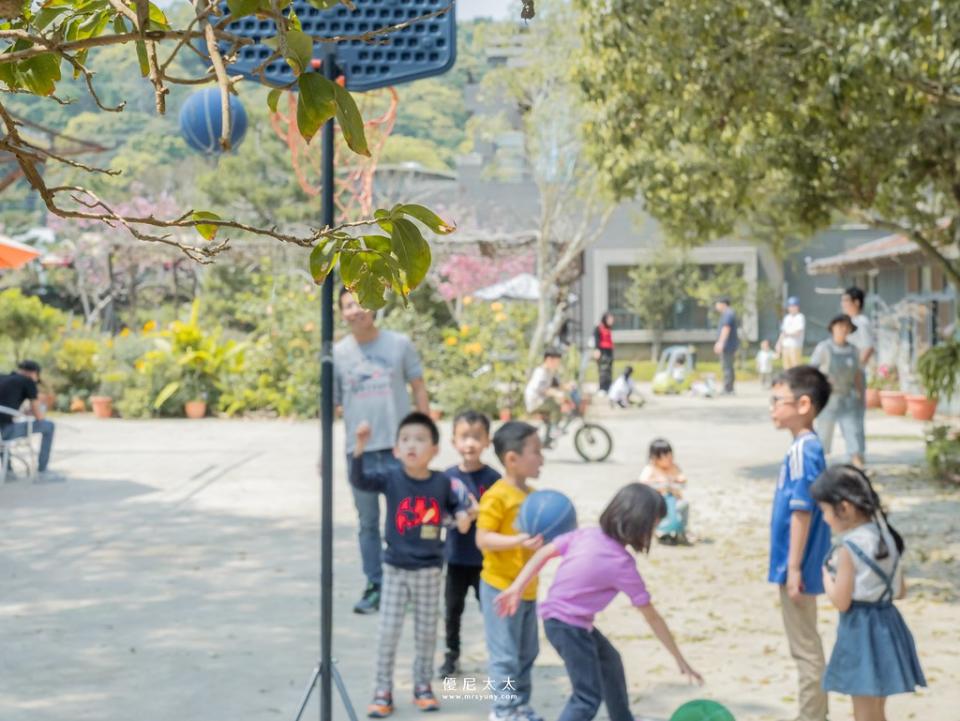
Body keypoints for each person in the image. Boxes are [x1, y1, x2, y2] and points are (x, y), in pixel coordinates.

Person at [493, 483, 702, 721]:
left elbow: (544, 552)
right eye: (654, 523)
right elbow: (652, 616)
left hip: (561, 621)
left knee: (610, 661)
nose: (654, 530)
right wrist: (679, 659)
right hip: (569, 627)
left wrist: (516, 587)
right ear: (640, 523)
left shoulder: (586, 534)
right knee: (587, 697)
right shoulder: (622, 564)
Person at [350, 412, 473, 717]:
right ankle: (382, 689)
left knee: (426, 633)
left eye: (420, 439)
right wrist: (360, 446)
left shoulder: (443, 482)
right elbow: (360, 479)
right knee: (387, 632)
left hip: (430, 571)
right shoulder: (391, 477)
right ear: (395, 449)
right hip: (394, 568)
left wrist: (462, 516)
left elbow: (459, 506)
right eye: (405, 440)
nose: (412, 445)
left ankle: (422, 685)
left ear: (434, 449)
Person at [335, 286, 430, 615]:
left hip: (398, 449)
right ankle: (375, 584)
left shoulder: (398, 344)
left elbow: (418, 387)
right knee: (367, 523)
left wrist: (426, 432)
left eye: (360, 302)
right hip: (359, 452)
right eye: (348, 305)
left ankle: (407, 585)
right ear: (341, 312)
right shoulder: (339, 354)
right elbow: (332, 406)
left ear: (373, 306)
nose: (355, 310)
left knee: (405, 518)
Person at [812, 465, 926, 721]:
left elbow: (841, 602)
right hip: (888, 624)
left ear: (845, 507)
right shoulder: (887, 536)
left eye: (826, 511)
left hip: (860, 630)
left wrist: (826, 578)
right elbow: (901, 591)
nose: (825, 518)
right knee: (877, 710)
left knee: (863, 711)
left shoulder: (848, 548)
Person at [768, 365, 834, 721]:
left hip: (799, 567)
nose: (773, 408)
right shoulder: (806, 448)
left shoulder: (803, 451)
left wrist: (793, 567)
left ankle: (812, 716)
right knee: (807, 646)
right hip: (802, 565)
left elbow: (802, 511)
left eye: (778, 400)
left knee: (806, 650)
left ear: (803, 404)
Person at [476, 421, 546, 721]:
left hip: (527, 588)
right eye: (536, 452)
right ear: (512, 459)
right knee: (504, 656)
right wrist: (517, 539)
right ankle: (503, 711)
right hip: (500, 589)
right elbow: (483, 538)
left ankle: (520, 706)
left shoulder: (534, 496)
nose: (541, 459)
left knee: (527, 654)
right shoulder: (497, 495)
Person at [440, 410, 500, 679]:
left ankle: (499, 656)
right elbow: (438, 513)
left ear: (487, 441)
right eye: (464, 437)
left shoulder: (494, 479)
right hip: (455, 557)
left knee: (490, 610)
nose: (470, 443)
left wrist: (479, 512)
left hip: (486, 561)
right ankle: (451, 655)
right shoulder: (446, 478)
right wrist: (457, 518)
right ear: (453, 441)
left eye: (477, 437)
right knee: (452, 610)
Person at [810, 315, 864, 467]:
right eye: (840, 326)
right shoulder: (824, 348)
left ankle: (858, 464)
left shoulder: (854, 350)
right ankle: (818, 466)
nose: (843, 329)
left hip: (848, 396)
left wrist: (861, 394)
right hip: (829, 398)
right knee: (824, 434)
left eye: (847, 327)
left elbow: (858, 374)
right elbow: (813, 370)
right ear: (832, 327)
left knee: (853, 432)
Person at [0, 360, 57, 480]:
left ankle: (9, 471)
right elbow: (39, 416)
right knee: (49, 426)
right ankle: (42, 471)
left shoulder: (2, 377)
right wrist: (38, 413)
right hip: (6, 432)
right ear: (33, 373)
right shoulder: (28, 381)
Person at [842, 287, 875, 463]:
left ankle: (857, 457)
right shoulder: (850, 321)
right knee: (846, 414)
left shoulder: (861, 322)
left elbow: (868, 347)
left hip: (856, 376)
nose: (843, 305)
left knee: (854, 415)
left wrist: (856, 370)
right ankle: (852, 454)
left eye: (846, 301)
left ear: (856, 302)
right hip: (845, 376)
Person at [639, 438, 690, 544]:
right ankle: (658, 532)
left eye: (671, 455)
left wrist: (676, 480)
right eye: (666, 456)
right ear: (655, 458)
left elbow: (682, 479)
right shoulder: (650, 469)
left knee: (684, 505)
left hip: (674, 500)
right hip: (657, 502)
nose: (670, 458)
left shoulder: (674, 467)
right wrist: (659, 483)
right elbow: (643, 483)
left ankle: (680, 530)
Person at [523, 348, 564, 448]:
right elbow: (541, 388)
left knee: (551, 413)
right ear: (549, 359)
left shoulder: (549, 372)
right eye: (556, 362)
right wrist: (556, 394)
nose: (557, 364)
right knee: (555, 406)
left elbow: (556, 385)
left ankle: (546, 440)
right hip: (535, 401)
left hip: (541, 400)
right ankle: (554, 429)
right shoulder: (541, 372)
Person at [712, 297, 739, 394]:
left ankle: (728, 388)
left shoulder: (728, 314)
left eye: (717, 304)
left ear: (723, 304)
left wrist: (720, 343)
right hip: (729, 344)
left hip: (727, 345)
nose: (716, 306)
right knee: (728, 366)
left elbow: (726, 328)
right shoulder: (729, 313)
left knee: (727, 366)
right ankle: (729, 388)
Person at [777, 297, 806, 370]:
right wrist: (779, 344)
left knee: (796, 368)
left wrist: (788, 334)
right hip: (785, 346)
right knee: (786, 368)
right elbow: (783, 332)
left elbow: (798, 332)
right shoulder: (787, 318)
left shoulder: (800, 317)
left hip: (795, 346)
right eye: (790, 306)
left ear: (797, 307)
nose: (791, 308)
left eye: (793, 306)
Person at [592, 313, 615, 394]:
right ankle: (602, 388)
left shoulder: (609, 328)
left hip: (609, 351)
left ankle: (608, 387)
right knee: (603, 370)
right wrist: (596, 350)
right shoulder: (599, 327)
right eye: (610, 319)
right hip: (602, 351)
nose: (612, 321)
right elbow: (596, 339)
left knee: (609, 370)